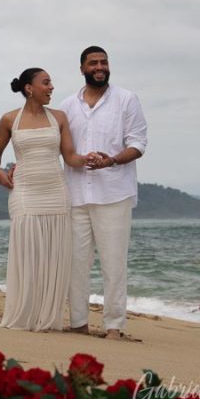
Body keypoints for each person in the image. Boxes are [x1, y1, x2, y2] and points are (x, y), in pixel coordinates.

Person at [58, 46, 148, 340]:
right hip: (75, 194)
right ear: (82, 69)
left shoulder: (126, 99)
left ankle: (114, 326)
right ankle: (78, 323)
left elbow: (138, 144)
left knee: (114, 263)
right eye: (93, 63)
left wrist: (111, 160)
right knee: (76, 264)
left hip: (113, 194)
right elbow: (56, 146)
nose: (100, 67)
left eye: (104, 62)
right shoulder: (67, 106)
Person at [0, 68, 88, 331]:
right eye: (46, 82)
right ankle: (25, 314)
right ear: (29, 88)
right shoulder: (10, 119)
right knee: (28, 254)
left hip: (56, 192)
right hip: (24, 192)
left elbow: (70, 157)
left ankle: (47, 317)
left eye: (51, 82)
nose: (51, 87)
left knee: (54, 256)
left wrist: (88, 159)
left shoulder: (59, 117)